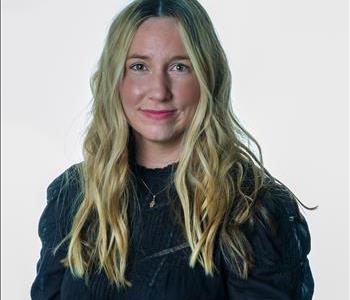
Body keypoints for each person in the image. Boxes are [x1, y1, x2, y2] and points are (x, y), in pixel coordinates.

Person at [31, 0, 317, 299]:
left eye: (180, 67)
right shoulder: (73, 195)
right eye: (139, 66)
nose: (159, 90)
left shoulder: (252, 207)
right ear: (115, 79)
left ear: (207, 77)